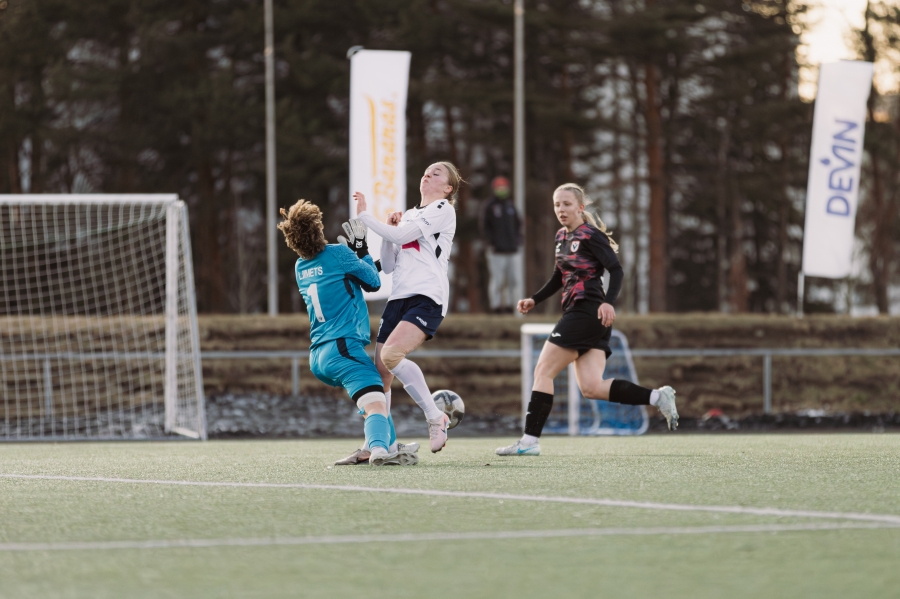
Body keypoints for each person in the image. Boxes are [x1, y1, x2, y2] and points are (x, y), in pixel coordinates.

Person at [495, 183, 678, 457]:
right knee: (592, 387)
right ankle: (658, 397)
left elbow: (616, 270)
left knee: (543, 371)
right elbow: (559, 276)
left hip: (586, 310)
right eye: (557, 204)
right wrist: (535, 299)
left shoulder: (591, 235)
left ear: (580, 207)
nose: (561, 209)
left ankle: (529, 441)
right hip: (587, 315)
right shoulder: (561, 236)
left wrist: (608, 302)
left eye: (567, 204)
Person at [334, 162, 461, 465]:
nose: (428, 174)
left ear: (448, 188)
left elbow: (404, 236)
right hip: (399, 298)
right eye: (427, 171)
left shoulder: (443, 208)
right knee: (381, 375)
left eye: (437, 173)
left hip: (426, 296)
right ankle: (380, 443)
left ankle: (435, 417)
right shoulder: (410, 215)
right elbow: (390, 265)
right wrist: (388, 234)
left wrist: (366, 217)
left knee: (391, 355)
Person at [277, 198, 418, 466]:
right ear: (317, 228)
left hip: (319, 355)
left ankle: (385, 445)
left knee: (373, 392)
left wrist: (359, 258)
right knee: (376, 402)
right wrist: (360, 249)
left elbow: (348, 275)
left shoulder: (300, 267)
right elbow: (372, 283)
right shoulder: (337, 254)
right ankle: (379, 450)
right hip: (342, 347)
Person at [481, 176, 522, 314]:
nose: (502, 190)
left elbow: (518, 224)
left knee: (513, 280)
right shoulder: (489, 206)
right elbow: (485, 227)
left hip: (512, 250)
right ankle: (496, 306)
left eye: (504, 187)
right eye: (499, 187)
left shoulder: (510, 206)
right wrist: (490, 243)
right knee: (498, 280)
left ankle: (510, 306)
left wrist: (518, 240)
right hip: (496, 250)